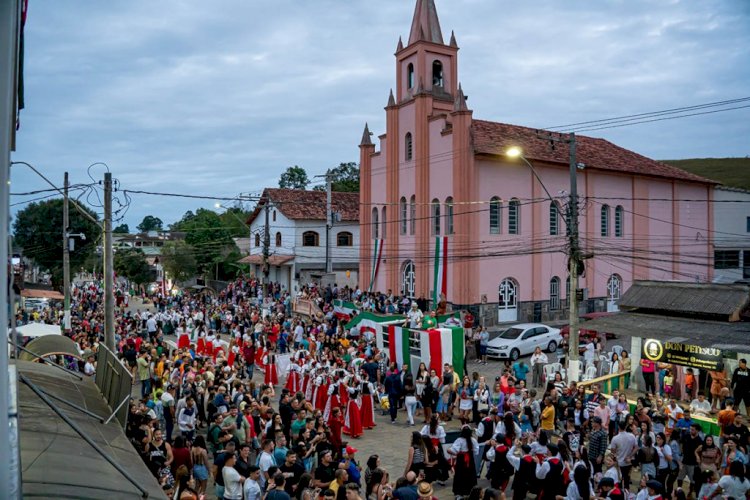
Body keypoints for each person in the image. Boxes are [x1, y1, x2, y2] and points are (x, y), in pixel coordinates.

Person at [447, 426, 478, 497]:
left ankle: (459, 492)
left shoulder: (459, 440)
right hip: (470, 459)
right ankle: (470, 491)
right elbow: (476, 451)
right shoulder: (473, 440)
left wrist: (449, 450)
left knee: (460, 475)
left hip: (461, 460)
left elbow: (454, 450)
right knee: (470, 474)